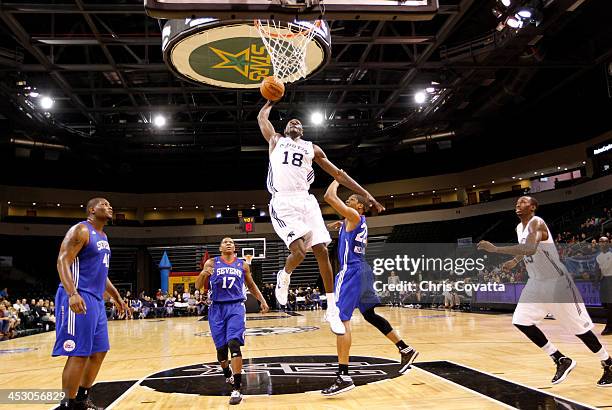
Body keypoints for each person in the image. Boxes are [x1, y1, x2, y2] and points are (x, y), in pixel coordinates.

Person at [257, 101, 384, 335]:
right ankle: (284, 275)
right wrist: (270, 102)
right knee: (299, 252)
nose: (295, 123)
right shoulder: (276, 141)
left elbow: (339, 174)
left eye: (299, 123)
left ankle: (331, 307)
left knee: (322, 251)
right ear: (285, 130)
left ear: (303, 132)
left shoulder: (311, 148)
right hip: (283, 201)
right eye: (291, 122)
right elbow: (262, 120)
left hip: (306, 200)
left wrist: (367, 195)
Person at [478, 196, 611, 386]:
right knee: (520, 321)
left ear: (533, 207)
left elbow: (531, 248)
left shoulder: (537, 223)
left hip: (557, 283)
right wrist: (515, 261)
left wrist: (496, 250)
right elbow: (527, 249)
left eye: (523, 202)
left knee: (579, 329)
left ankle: (608, 363)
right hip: (536, 282)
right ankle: (560, 359)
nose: (518, 204)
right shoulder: (519, 228)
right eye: (517, 202)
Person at [321, 180, 418, 396]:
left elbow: (329, 196)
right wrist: (341, 222)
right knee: (370, 315)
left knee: (341, 319)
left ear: (360, 207)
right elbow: (343, 222)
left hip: (351, 272)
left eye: (351, 200)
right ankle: (405, 348)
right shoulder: (355, 220)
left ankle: (344, 376)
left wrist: (338, 177)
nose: (347, 201)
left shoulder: (354, 217)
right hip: (363, 269)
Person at [52, 198, 128, 409]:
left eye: (111, 204)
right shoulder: (81, 230)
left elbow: (101, 274)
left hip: (95, 299)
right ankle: (67, 404)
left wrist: (117, 296)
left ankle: (82, 399)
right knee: (79, 352)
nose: (110, 206)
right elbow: (62, 261)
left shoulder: (103, 236)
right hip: (79, 296)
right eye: (105, 204)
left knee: (99, 351)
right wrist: (72, 293)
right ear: (92, 210)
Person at [195, 237, 269, 405]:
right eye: (225, 242)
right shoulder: (212, 263)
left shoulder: (242, 265)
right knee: (221, 351)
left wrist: (262, 301)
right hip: (216, 309)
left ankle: (237, 388)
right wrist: (202, 274)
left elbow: (251, 285)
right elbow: (197, 286)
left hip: (236, 307)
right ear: (220, 247)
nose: (228, 243)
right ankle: (226, 372)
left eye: (231, 242)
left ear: (235, 247)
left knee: (234, 344)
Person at [596, 236, 612, 335]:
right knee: (606, 306)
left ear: (608, 243)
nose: (602, 244)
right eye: (601, 242)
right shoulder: (598, 256)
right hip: (604, 281)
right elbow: (598, 271)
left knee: (610, 306)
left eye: (605, 242)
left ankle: (609, 327)